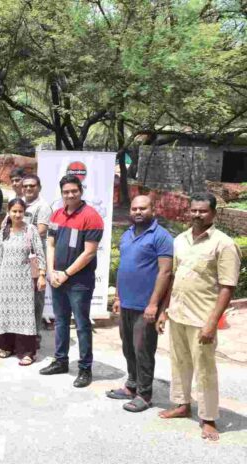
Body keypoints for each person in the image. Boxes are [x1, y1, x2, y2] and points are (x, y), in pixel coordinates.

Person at [156, 192, 241, 441]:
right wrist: (164, 310)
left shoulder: (223, 244)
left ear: (213, 213)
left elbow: (228, 286)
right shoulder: (180, 240)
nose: (197, 215)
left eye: (202, 211)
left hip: (202, 318)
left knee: (205, 370)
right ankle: (182, 405)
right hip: (179, 314)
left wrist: (212, 323)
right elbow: (174, 277)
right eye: (194, 210)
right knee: (179, 363)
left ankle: (209, 418)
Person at [107, 195, 173, 412]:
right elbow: (123, 268)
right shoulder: (127, 235)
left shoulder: (161, 237)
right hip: (126, 303)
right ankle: (131, 386)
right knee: (128, 348)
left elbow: (165, 272)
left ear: (152, 209)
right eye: (134, 208)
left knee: (143, 350)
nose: (137, 212)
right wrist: (117, 297)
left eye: (142, 208)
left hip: (146, 307)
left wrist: (154, 305)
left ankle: (144, 395)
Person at [39, 174, 103, 388]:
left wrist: (66, 273)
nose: (70, 195)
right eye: (66, 192)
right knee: (60, 321)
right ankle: (61, 361)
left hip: (79, 282)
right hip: (57, 278)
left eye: (74, 191)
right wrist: (50, 271)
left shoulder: (91, 216)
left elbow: (89, 253)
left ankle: (85, 368)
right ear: (62, 193)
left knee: (82, 325)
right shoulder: (57, 214)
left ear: (80, 191)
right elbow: (50, 244)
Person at [0, 198, 46, 365]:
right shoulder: (4, 231)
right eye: (14, 211)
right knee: (6, 313)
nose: (17, 214)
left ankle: (27, 352)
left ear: (24, 213)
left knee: (25, 315)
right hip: (6, 280)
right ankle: (7, 347)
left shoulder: (31, 230)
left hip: (24, 281)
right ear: (9, 211)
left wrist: (42, 274)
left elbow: (40, 253)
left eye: (20, 211)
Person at [20, 174, 53, 340]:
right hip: (17, 255)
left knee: (35, 296)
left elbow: (41, 231)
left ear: (38, 187)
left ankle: (34, 335)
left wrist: (17, 236)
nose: (28, 188)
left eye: (32, 186)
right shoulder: (19, 203)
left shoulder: (43, 206)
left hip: (34, 257)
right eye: (25, 186)